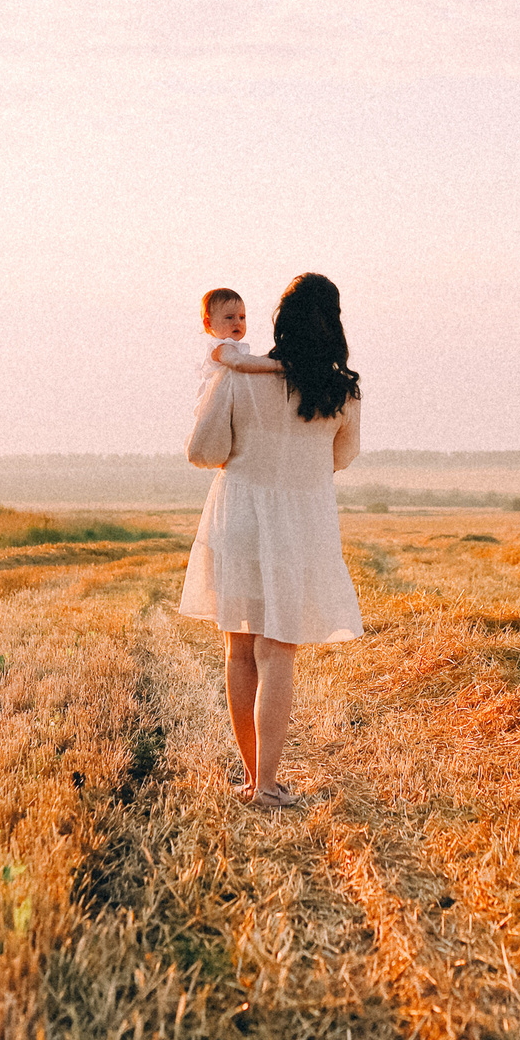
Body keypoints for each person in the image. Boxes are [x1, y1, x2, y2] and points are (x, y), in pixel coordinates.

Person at [182, 272, 364, 808]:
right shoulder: (343, 389)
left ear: (279, 321)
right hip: (301, 520)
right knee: (277, 650)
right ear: (332, 325)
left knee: (239, 645)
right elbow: (341, 458)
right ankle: (266, 783)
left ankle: (250, 777)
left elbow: (202, 451)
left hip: (239, 511)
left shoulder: (238, 374)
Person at [196, 287, 286, 402]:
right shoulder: (221, 348)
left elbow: (248, 361)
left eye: (242, 317)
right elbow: (238, 362)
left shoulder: (232, 348)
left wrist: (272, 357)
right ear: (208, 323)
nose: (238, 322)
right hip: (215, 408)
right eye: (229, 317)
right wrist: (279, 365)